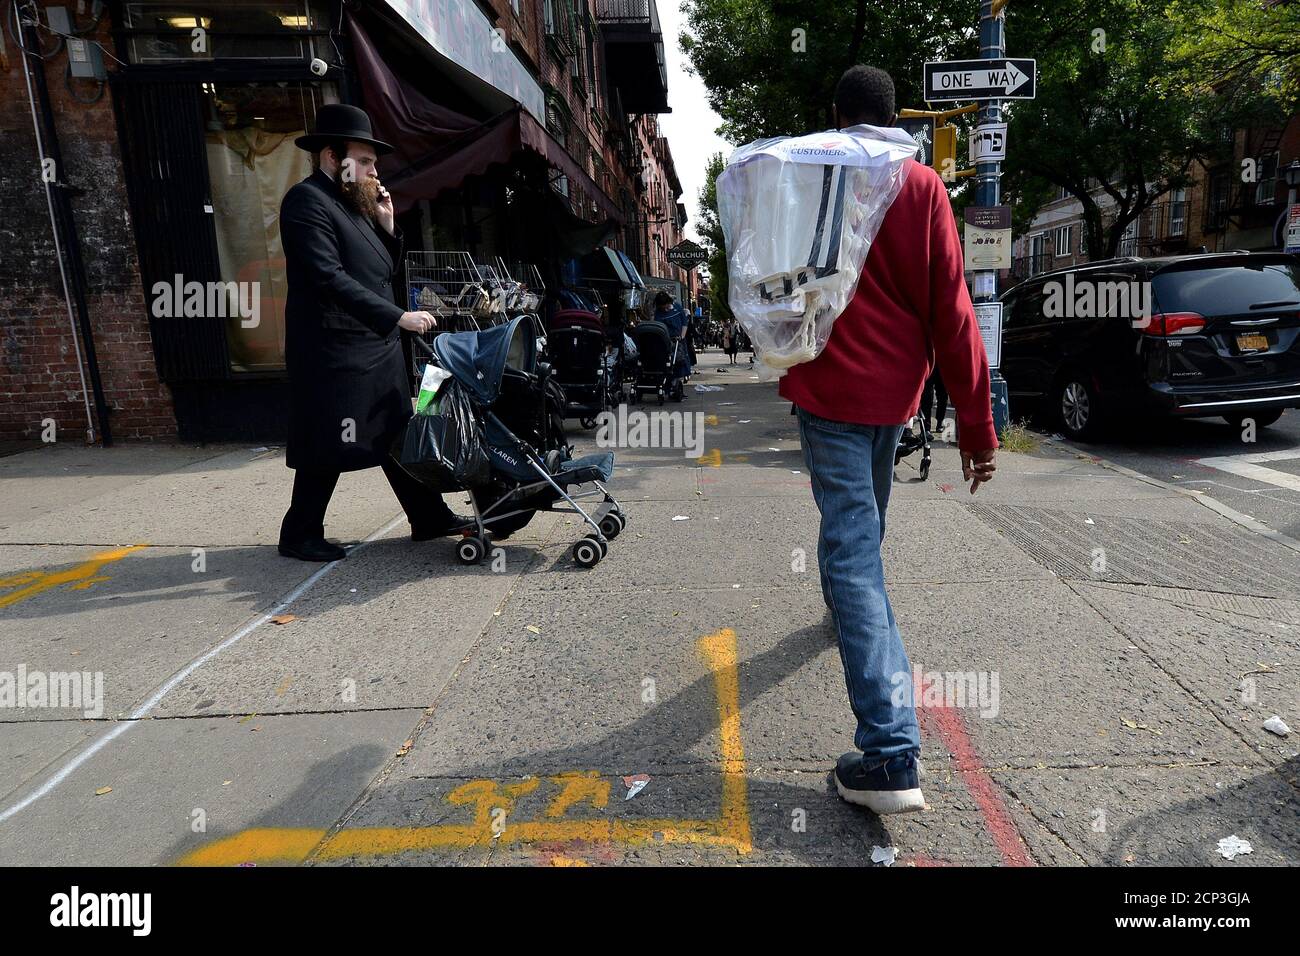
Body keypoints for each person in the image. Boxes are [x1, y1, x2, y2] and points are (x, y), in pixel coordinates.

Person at [779, 65, 998, 813]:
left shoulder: (813, 176)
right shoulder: (923, 184)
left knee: (851, 548)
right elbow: (953, 308)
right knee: (860, 537)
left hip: (829, 388)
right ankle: (847, 614)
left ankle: (890, 750)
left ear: (836, 116)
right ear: (893, 116)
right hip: (892, 398)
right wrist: (976, 424)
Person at [277, 104, 471, 562]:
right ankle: (299, 533)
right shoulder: (307, 202)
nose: (372, 171)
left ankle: (427, 516)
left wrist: (387, 226)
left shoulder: (355, 206)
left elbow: (379, 271)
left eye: (372, 163)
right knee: (327, 440)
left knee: (395, 430)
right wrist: (395, 316)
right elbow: (327, 276)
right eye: (363, 161)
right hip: (335, 347)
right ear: (332, 156)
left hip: (374, 345)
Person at [653, 291, 692, 380]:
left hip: (679, 339)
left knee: (680, 359)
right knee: (668, 361)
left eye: (666, 307)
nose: (665, 310)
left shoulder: (677, 307)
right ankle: (669, 381)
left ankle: (679, 381)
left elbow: (684, 323)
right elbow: (658, 326)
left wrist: (682, 336)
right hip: (667, 340)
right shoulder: (658, 313)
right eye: (663, 308)